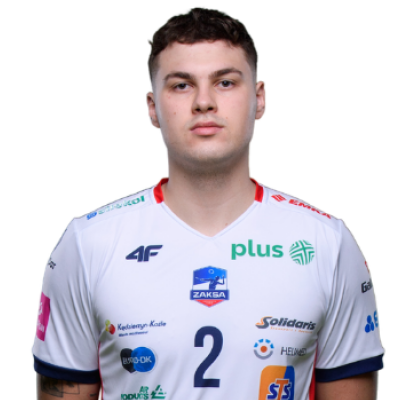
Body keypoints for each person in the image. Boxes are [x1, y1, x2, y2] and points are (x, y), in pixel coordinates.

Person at [32, 6, 384, 400]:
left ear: (259, 99)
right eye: (182, 85)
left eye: (225, 82)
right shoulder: (87, 243)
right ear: (152, 107)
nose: (204, 102)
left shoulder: (328, 243)